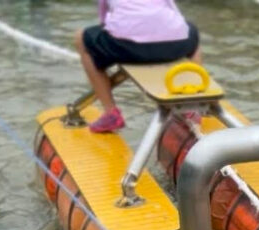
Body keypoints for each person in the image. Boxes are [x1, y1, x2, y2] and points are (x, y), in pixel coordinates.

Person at [75, 1, 202, 133]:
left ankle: (110, 112)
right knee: (192, 33)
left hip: (127, 48)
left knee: (82, 38)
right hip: (174, 45)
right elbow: (174, 13)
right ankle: (192, 103)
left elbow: (103, 18)